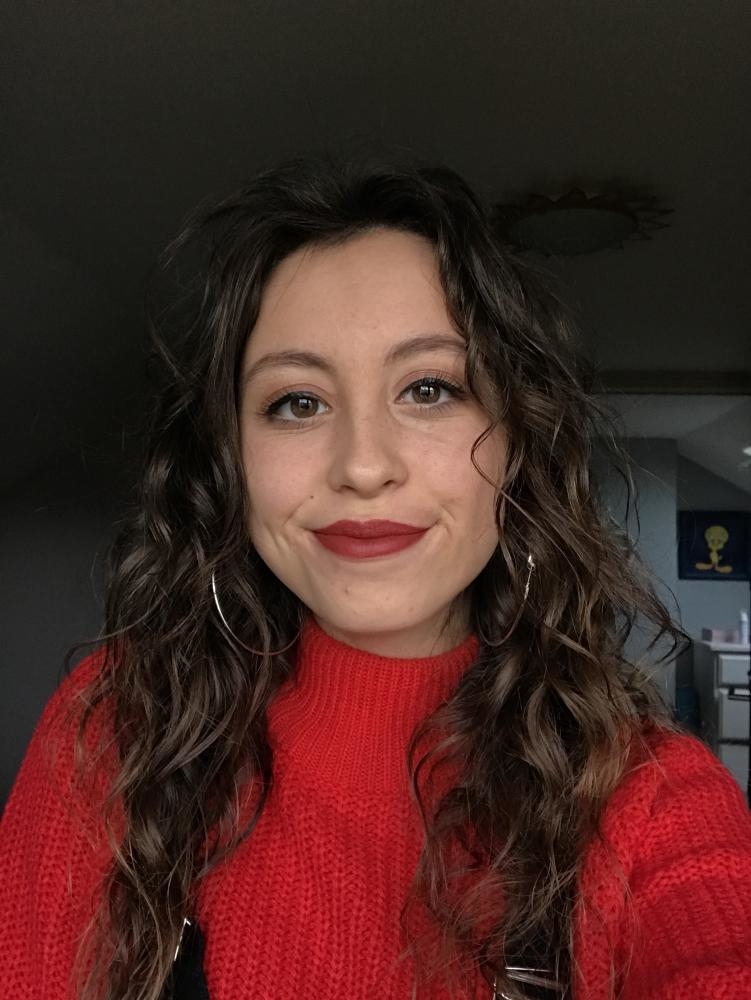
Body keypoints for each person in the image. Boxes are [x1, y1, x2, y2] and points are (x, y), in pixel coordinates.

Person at [2, 155, 751, 1000]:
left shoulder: (647, 800)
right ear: (231, 460)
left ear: (519, 442)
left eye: (429, 389)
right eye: (297, 402)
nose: (362, 465)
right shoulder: (117, 728)